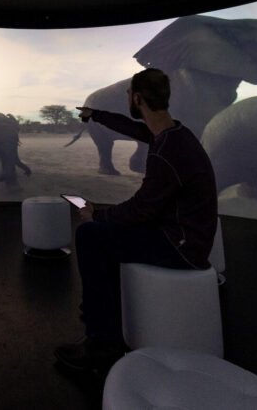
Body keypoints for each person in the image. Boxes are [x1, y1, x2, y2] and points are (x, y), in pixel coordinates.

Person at [54, 67, 218, 373]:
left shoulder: (166, 151)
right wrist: (96, 114)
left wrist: (97, 214)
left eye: (130, 94)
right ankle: (101, 306)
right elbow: (134, 130)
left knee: (90, 234)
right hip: (183, 233)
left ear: (137, 97)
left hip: (181, 245)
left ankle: (101, 343)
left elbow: (142, 209)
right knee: (107, 228)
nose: (128, 98)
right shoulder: (174, 133)